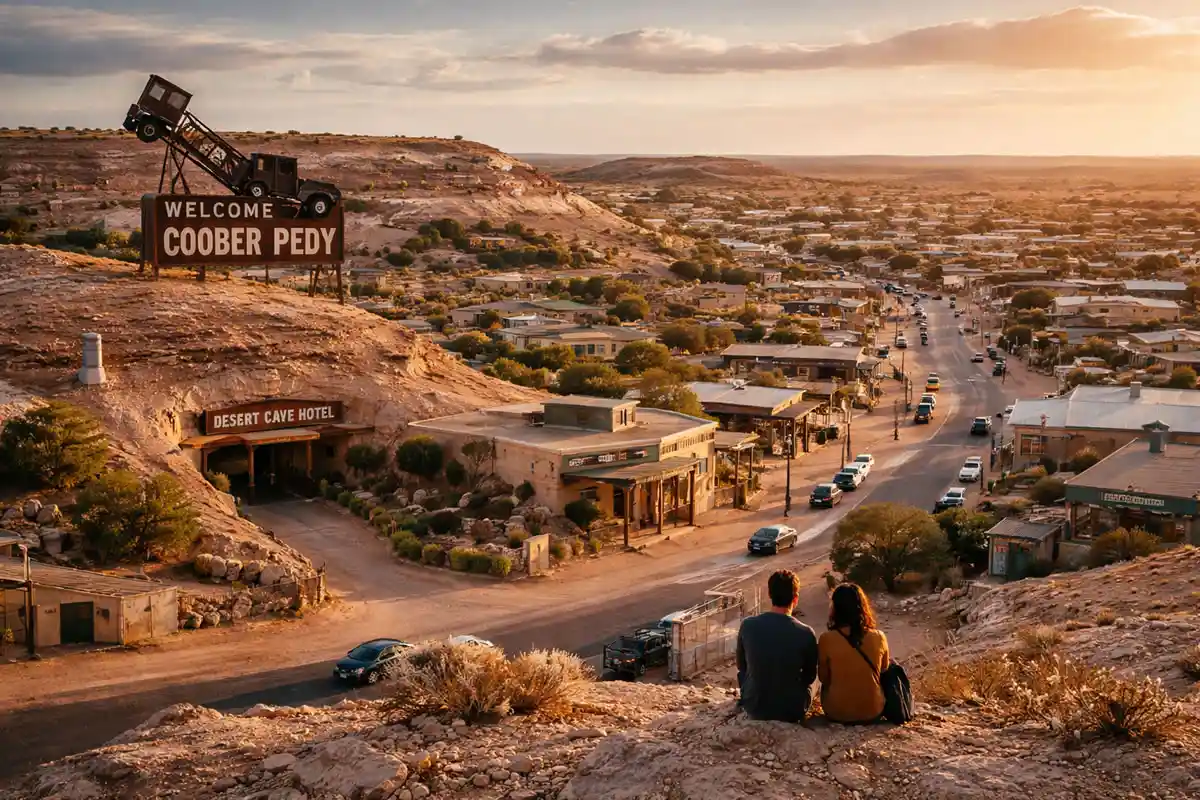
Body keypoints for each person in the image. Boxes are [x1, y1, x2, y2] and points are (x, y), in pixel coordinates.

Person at [735, 569, 818, 723]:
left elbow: (741, 666)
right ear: (795, 599)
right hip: (792, 711)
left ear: (769, 594)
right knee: (815, 682)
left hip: (755, 706)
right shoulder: (806, 633)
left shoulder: (748, 625)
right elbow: (810, 676)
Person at [818, 583, 891, 724]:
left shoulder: (826, 639)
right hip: (873, 711)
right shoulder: (879, 636)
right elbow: (884, 669)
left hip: (836, 713)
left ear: (835, 609)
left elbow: (823, 678)